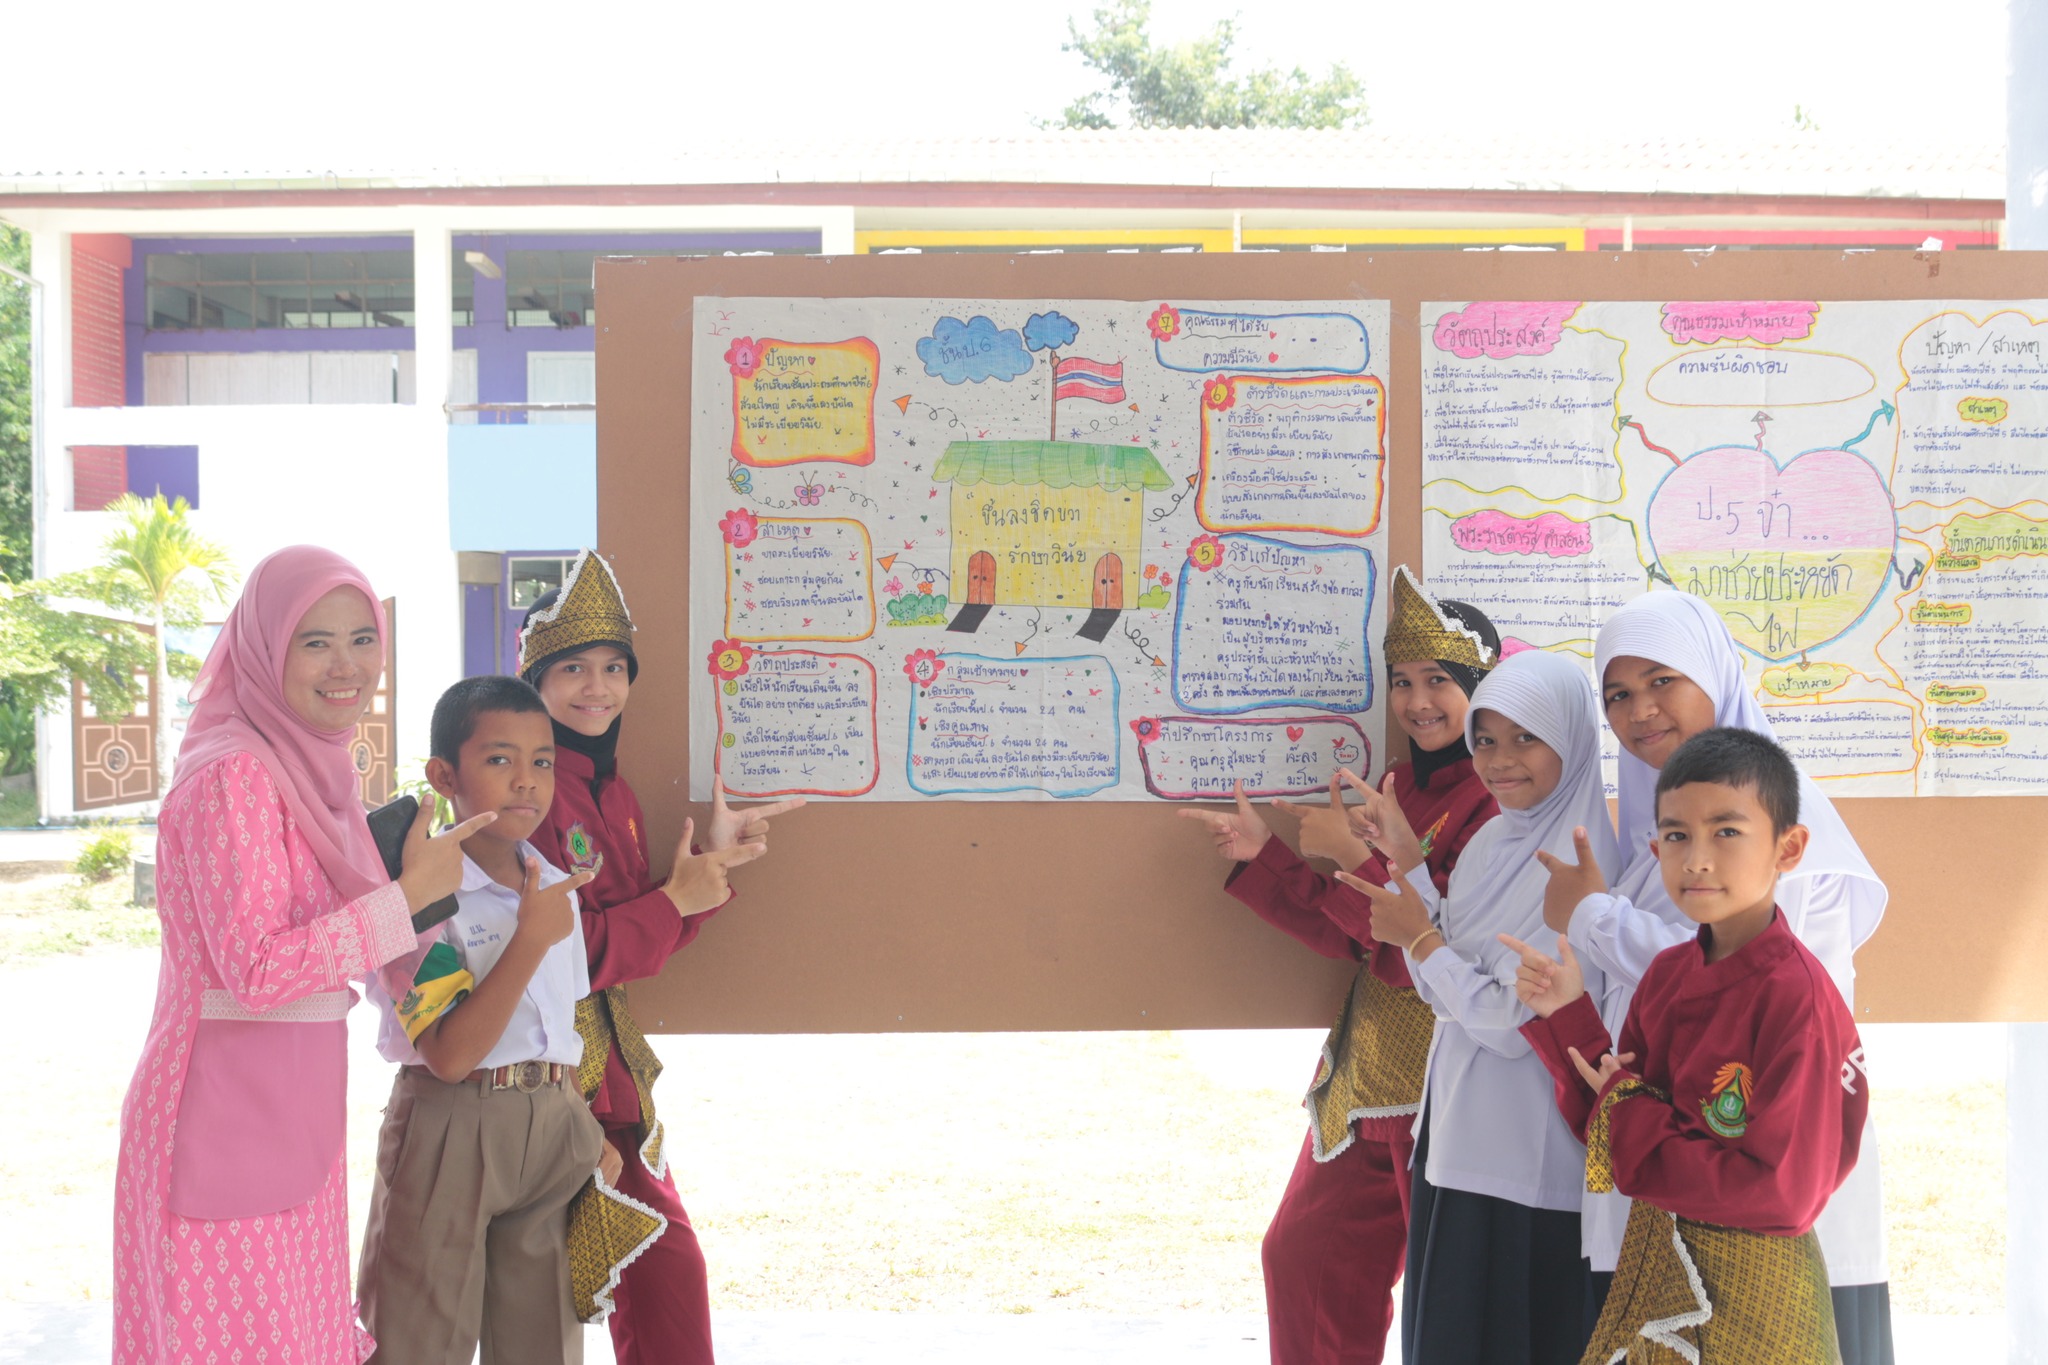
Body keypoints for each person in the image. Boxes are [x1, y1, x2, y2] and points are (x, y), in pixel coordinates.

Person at [113, 546, 487, 1365]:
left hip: (287, 1117)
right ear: (265, 648)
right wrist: (407, 898)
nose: (345, 665)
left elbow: (367, 934)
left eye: (363, 638)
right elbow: (256, 970)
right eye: (314, 642)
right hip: (223, 1120)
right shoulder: (235, 775)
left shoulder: (314, 772)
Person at [1538, 589, 1892, 1362]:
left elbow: (1753, 978)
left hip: (1768, 1224)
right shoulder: (1649, 839)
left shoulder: (1791, 825)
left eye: (1663, 679)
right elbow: (1658, 1010)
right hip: (1667, 1212)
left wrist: (1593, 916)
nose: (1640, 710)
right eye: (1617, 694)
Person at [1182, 566, 1499, 1365]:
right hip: (1363, 1079)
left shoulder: (1497, 802)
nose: (1417, 701)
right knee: (1304, 1258)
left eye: (1439, 681)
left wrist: (1352, 853)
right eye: (1403, 680)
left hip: (1445, 1085)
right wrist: (1266, 855)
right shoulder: (1395, 786)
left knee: (1447, 1300)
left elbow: (1425, 947)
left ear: (1483, 689)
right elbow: (1355, 938)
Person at [519, 549, 794, 1364]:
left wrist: (705, 876)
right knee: (541, 1302)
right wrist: (677, 898)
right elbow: (558, 956)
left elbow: (636, 941)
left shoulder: (615, 791)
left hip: (614, 1077)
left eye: (614, 668)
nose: (597, 687)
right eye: (573, 668)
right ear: (534, 681)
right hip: (548, 1075)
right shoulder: (529, 794)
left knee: (658, 1279)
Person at [1335, 648, 1620, 1365]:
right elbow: (1446, 981)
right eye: (1486, 739)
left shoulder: (1584, 867)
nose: (1500, 759)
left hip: (1528, 1163)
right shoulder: (1493, 839)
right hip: (1454, 1138)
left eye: (1526, 737)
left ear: (1572, 738)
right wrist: (1410, 871)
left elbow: (1513, 1025)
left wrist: (1423, 940)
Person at [356, 675, 606, 1364]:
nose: (526, 780)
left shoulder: (553, 883)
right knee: (417, 1340)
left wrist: (583, 1118)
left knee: (544, 1342)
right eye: (500, 759)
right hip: (452, 1126)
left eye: (542, 761)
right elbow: (448, 1054)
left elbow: (561, 1020)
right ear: (444, 776)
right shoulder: (420, 895)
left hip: (552, 1122)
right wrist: (529, 939)